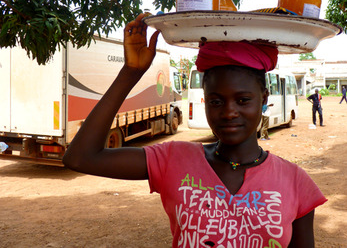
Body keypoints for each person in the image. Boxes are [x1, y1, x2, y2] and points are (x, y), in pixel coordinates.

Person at [63, 14, 327, 247]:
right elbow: (81, 157)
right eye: (216, 101)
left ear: (264, 98)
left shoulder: (296, 183)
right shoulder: (174, 160)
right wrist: (130, 72)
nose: (229, 111)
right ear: (205, 101)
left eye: (243, 100)